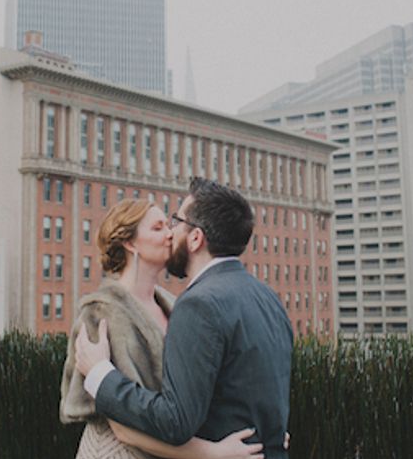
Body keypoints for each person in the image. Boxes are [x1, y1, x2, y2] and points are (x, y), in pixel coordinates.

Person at [75, 178, 293, 459]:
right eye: (160, 226)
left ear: (195, 238)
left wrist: (100, 375)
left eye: (175, 222)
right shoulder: (268, 297)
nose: (170, 233)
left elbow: (175, 420)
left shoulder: (197, 305)